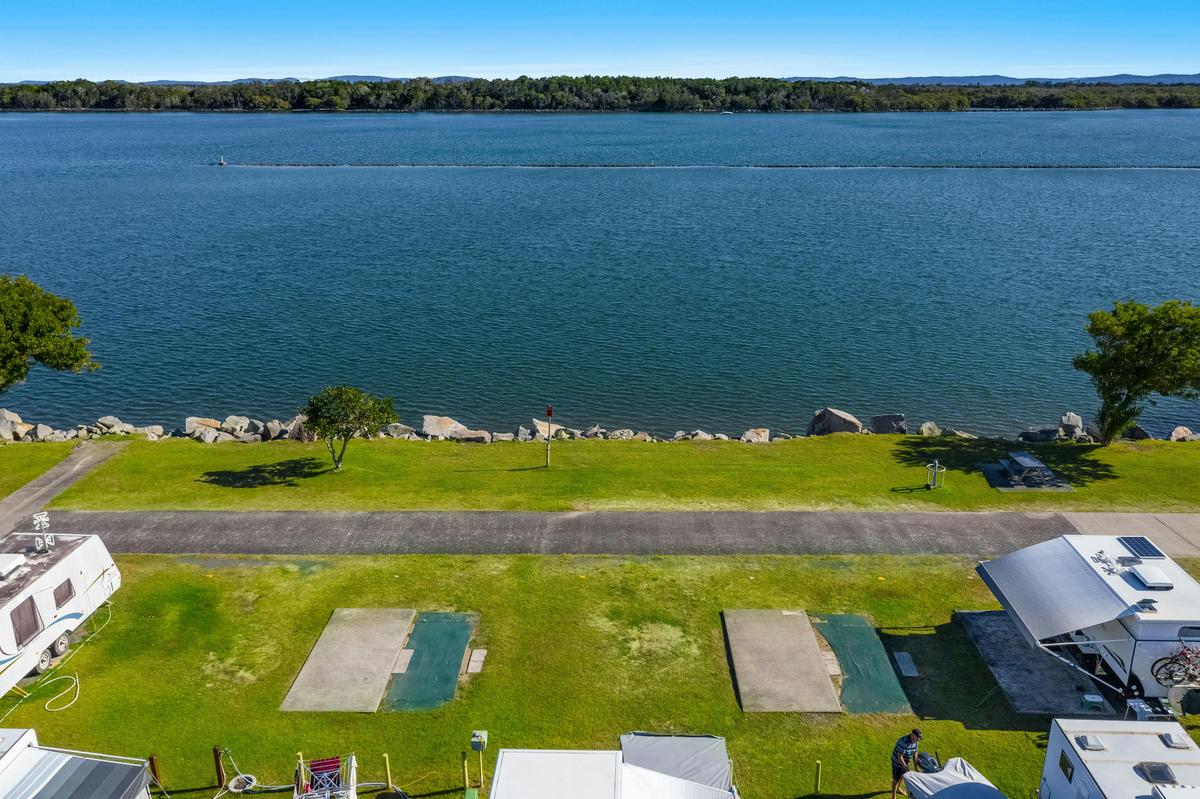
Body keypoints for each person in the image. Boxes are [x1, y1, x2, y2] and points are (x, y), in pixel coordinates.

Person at [890, 728, 923, 799]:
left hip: (906, 761)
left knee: (903, 776)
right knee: (896, 779)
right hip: (897, 762)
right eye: (918, 737)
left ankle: (898, 788)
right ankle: (893, 796)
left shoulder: (916, 741)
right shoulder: (904, 742)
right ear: (913, 735)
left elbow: (915, 753)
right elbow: (900, 757)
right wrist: (905, 767)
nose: (919, 740)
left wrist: (916, 767)